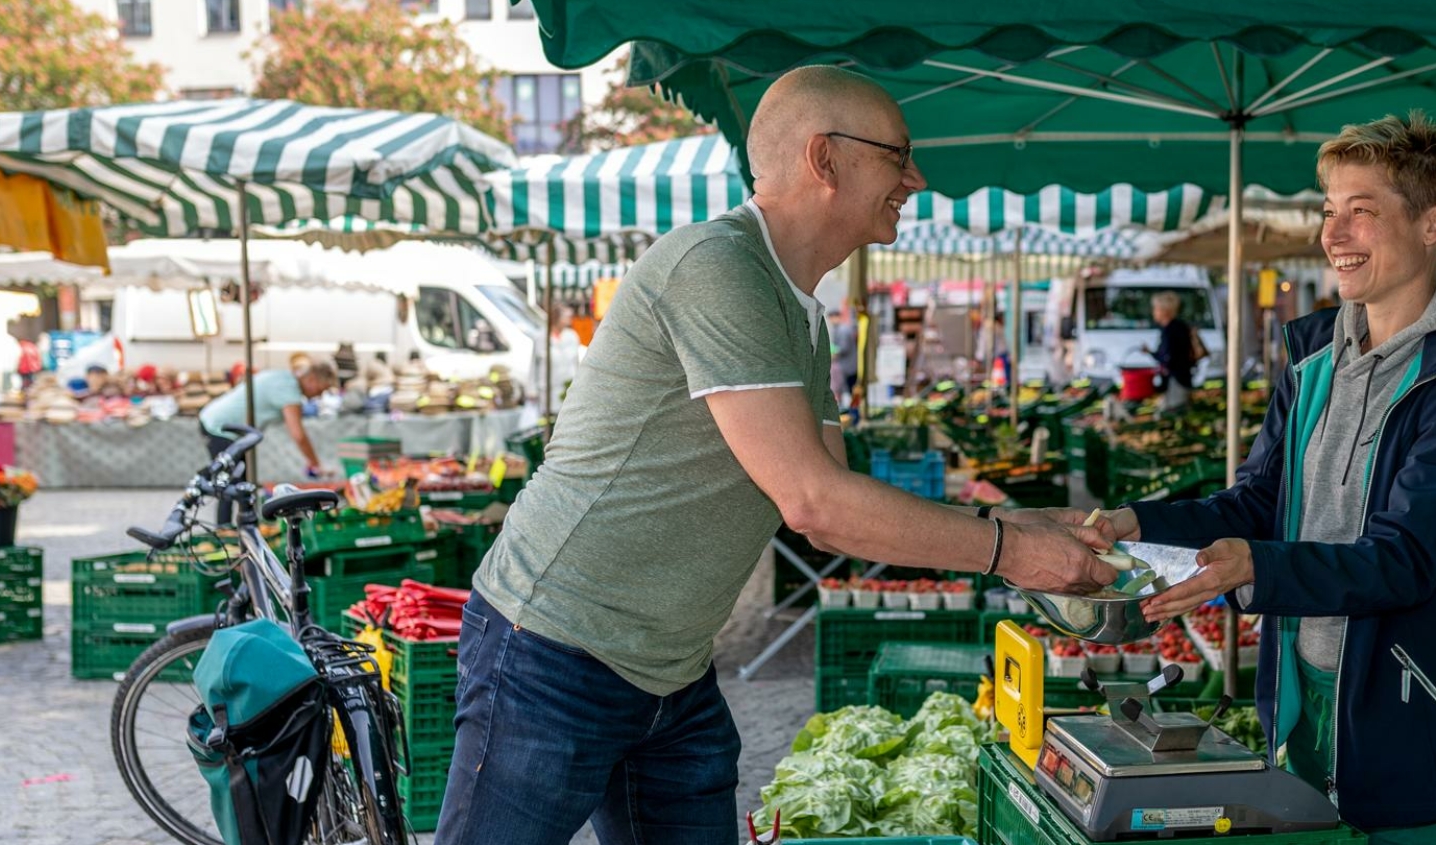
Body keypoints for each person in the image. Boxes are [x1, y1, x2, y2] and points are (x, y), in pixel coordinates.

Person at [444, 65, 1115, 845]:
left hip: (673, 672)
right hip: (553, 649)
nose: (917, 177)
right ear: (824, 158)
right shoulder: (716, 266)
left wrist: (1015, 519)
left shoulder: (802, 315)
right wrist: (1012, 551)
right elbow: (812, 501)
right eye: (899, 155)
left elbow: (833, 505)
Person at [1032, 111, 1436, 845]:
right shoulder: (1313, 360)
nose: (1333, 235)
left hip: (1420, 719)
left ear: (1433, 224)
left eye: (1362, 212)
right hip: (1305, 702)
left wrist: (1257, 567)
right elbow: (1258, 501)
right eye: (1330, 212)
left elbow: (1406, 559)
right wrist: (1141, 522)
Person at [197, 360, 336, 519]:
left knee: (239, 481)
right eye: (321, 389)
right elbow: (298, 434)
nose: (319, 395)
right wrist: (315, 464)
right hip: (220, 427)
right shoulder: (289, 389)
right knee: (231, 481)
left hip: (219, 423)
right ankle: (224, 529)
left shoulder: (283, 377)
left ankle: (241, 526)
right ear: (312, 379)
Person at [1144, 290, 1200, 411]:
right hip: (1181, 377)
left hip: (1176, 379)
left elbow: (1169, 357)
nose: (1154, 312)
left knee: (1175, 409)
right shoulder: (1178, 327)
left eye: (1156, 309)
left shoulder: (1170, 330)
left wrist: (1158, 361)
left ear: (1165, 311)